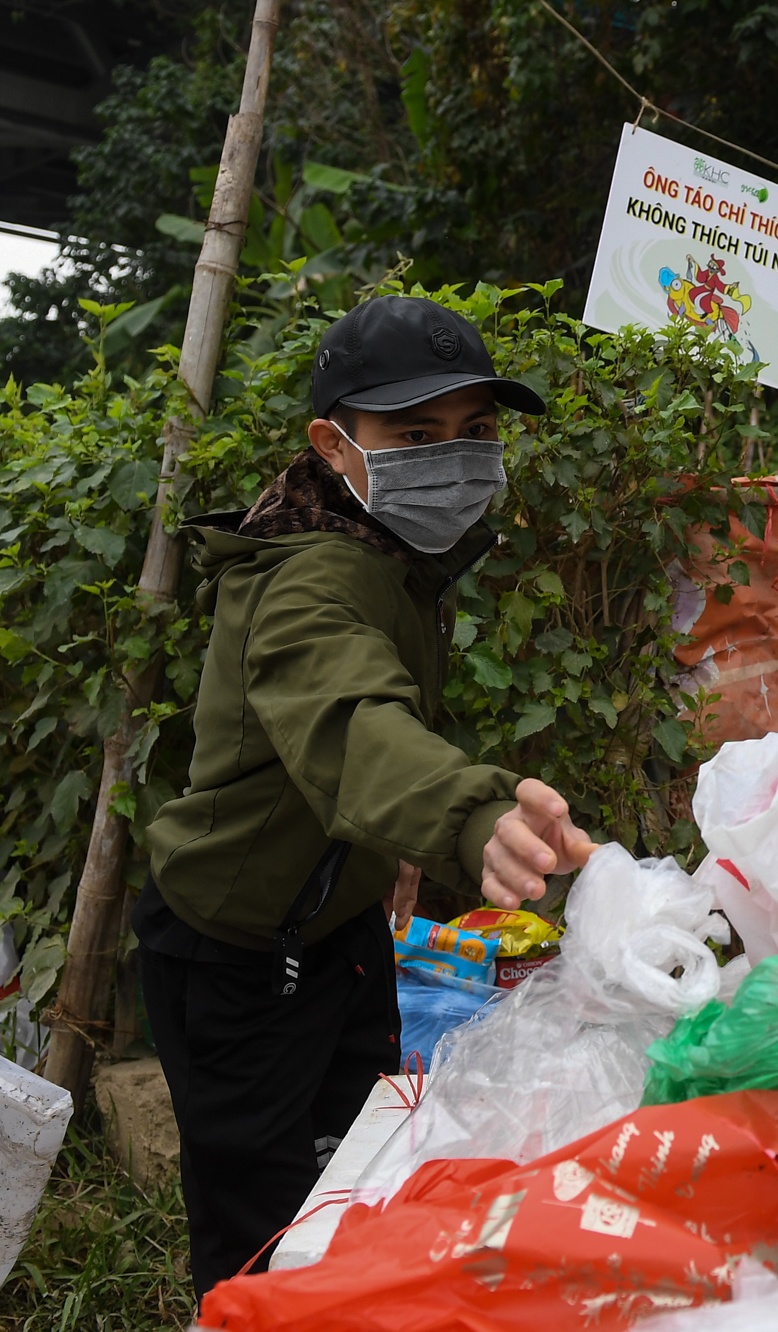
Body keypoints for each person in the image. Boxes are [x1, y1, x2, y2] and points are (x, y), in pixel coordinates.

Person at [139, 294, 598, 1298]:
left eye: (475, 433)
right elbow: (351, 721)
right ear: (333, 444)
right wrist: (466, 816)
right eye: (415, 434)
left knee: (358, 1177)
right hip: (242, 950)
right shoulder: (306, 578)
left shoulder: (387, 550)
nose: (457, 456)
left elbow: (353, 734)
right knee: (260, 1242)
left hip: (335, 929)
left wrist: (383, 849)